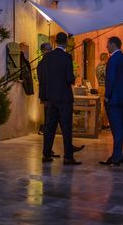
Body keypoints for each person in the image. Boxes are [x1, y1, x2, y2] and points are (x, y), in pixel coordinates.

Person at [37, 32, 81, 165]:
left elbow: (43, 78)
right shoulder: (67, 57)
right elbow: (69, 78)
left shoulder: (47, 57)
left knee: (50, 127)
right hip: (64, 99)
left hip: (50, 99)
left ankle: (46, 154)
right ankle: (68, 156)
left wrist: (43, 96)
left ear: (56, 42)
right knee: (66, 128)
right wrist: (73, 79)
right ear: (66, 42)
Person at [99, 36, 123, 166]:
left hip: (114, 98)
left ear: (113, 45)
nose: (106, 47)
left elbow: (110, 79)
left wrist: (107, 96)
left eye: (108, 44)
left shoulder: (113, 60)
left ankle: (116, 157)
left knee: (117, 127)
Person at [94, 52, 110, 128]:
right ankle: (104, 123)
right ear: (105, 58)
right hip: (105, 87)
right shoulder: (105, 67)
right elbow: (108, 78)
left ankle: (100, 124)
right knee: (105, 107)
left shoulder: (97, 67)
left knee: (100, 106)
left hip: (99, 87)